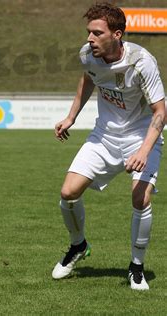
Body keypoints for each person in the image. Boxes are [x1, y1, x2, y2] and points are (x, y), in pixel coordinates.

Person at [52, 2, 165, 291]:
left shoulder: (142, 61)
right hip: (104, 136)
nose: (89, 38)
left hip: (142, 136)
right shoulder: (88, 55)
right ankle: (78, 246)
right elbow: (88, 80)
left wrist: (143, 151)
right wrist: (71, 117)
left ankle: (136, 267)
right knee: (68, 192)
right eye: (88, 32)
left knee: (140, 199)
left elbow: (160, 112)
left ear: (116, 34)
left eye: (96, 33)